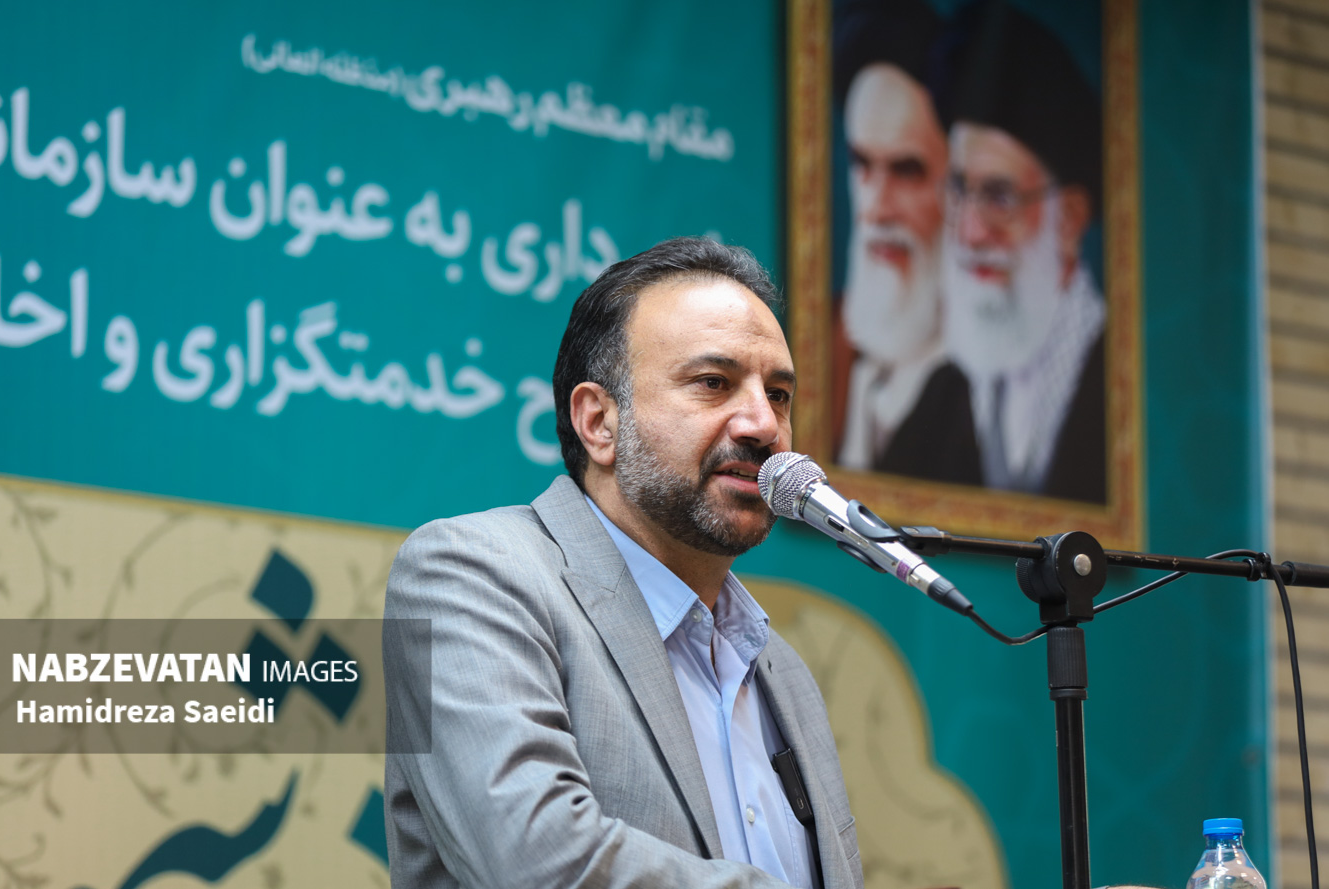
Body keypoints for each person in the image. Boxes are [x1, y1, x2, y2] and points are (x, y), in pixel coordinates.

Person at [383, 237, 864, 889]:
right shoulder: (470, 575)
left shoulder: (784, 673)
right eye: (713, 383)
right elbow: (537, 863)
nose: (763, 425)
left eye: (778, 394)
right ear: (599, 421)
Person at [882, 0, 1107, 503]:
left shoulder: (1120, 386)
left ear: (1069, 219)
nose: (970, 232)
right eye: (960, 190)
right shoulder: (944, 394)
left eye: (1000, 196)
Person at [832, 0, 949, 471]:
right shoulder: (828, 338)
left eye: (907, 170)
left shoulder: (995, 389)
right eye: (862, 164)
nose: (876, 207)